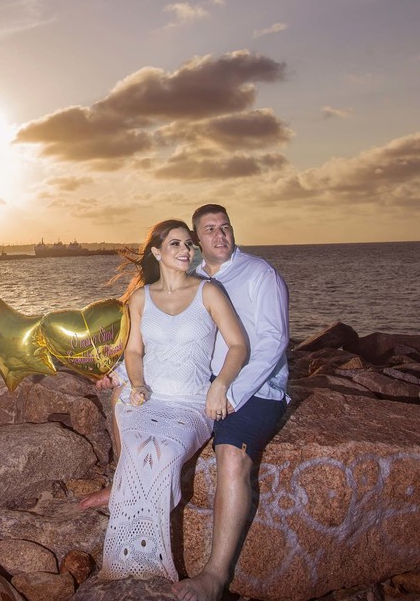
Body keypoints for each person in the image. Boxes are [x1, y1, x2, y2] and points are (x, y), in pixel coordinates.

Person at [99, 219, 248, 582]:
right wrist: (136, 384)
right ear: (156, 253)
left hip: (192, 402)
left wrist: (221, 385)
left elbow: (238, 345)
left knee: (163, 452)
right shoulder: (140, 298)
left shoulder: (209, 292)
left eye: (189, 245)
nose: (186, 251)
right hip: (147, 395)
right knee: (135, 444)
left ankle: (152, 562)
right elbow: (134, 351)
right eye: (176, 245)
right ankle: (121, 561)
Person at [171, 204, 290, 601]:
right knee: (147, 414)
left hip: (256, 388)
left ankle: (215, 576)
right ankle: (121, 489)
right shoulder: (193, 280)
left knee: (232, 456)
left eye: (225, 227)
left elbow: (274, 341)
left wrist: (233, 393)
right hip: (202, 384)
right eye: (210, 230)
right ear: (197, 240)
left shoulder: (259, 273)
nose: (220, 235)